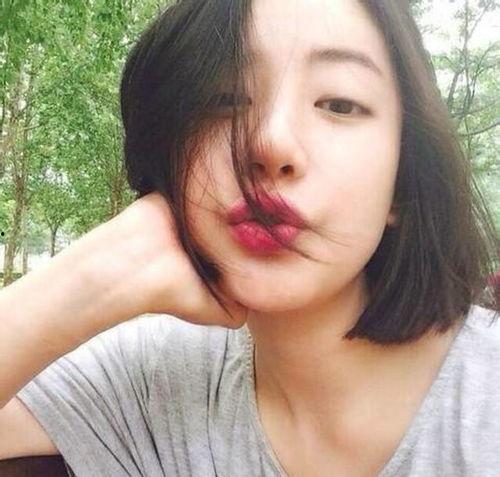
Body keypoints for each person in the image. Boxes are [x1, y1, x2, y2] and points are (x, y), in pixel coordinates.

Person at [0, 0, 499, 475]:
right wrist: (98, 274)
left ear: (404, 180)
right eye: (224, 100)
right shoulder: (153, 377)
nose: (270, 142)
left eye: (339, 104)